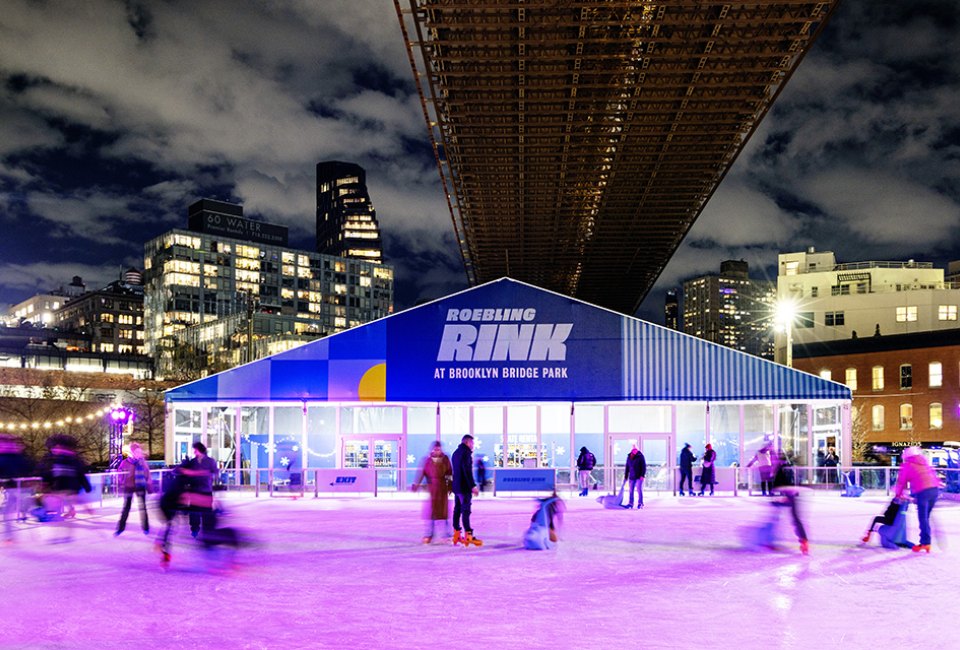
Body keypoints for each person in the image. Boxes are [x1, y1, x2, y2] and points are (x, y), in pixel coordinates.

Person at [893, 446, 942, 553]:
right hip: (934, 490)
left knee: (923, 518)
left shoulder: (907, 465)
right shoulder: (925, 463)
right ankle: (926, 542)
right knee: (926, 518)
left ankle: (925, 543)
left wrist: (898, 495)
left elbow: (902, 482)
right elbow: (932, 476)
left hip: (923, 491)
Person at [769, 449, 809, 554]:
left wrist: (784, 495)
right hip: (789, 495)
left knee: (791, 518)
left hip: (788, 495)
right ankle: (803, 541)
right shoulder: (785, 467)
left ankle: (803, 541)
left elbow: (783, 483)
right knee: (791, 518)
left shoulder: (782, 469)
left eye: (773, 458)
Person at [413, 441, 453, 544]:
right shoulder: (427, 461)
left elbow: (449, 473)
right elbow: (422, 473)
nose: (437, 451)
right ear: (432, 450)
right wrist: (416, 484)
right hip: (433, 490)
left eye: (438, 449)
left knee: (443, 514)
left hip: (443, 490)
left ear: (441, 449)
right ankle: (429, 535)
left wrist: (450, 486)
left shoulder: (445, 460)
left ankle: (446, 535)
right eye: (435, 449)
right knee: (431, 513)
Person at [115, 442, 154, 536]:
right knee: (126, 508)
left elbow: (148, 474)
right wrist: (124, 480)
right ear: (132, 452)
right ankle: (120, 528)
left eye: (140, 452)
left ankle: (146, 528)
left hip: (141, 486)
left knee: (143, 508)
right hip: (129, 487)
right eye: (137, 452)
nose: (139, 454)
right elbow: (120, 474)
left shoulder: (143, 462)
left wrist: (149, 484)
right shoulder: (125, 462)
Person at [0, 434, 32, 543]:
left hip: (15, 488)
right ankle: (9, 537)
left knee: (8, 511)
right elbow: (28, 469)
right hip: (17, 488)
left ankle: (9, 537)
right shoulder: (19, 457)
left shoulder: (6, 457)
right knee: (9, 511)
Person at [451, 434, 481, 546]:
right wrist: (472, 486)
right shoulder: (466, 453)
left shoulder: (455, 453)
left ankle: (456, 533)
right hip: (464, 487)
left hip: (457, 486)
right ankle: (468, 535)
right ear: (467, 442)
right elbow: (467, 471)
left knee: (457, 509)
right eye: (472, 443)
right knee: (466, 510)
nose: (473, 445)